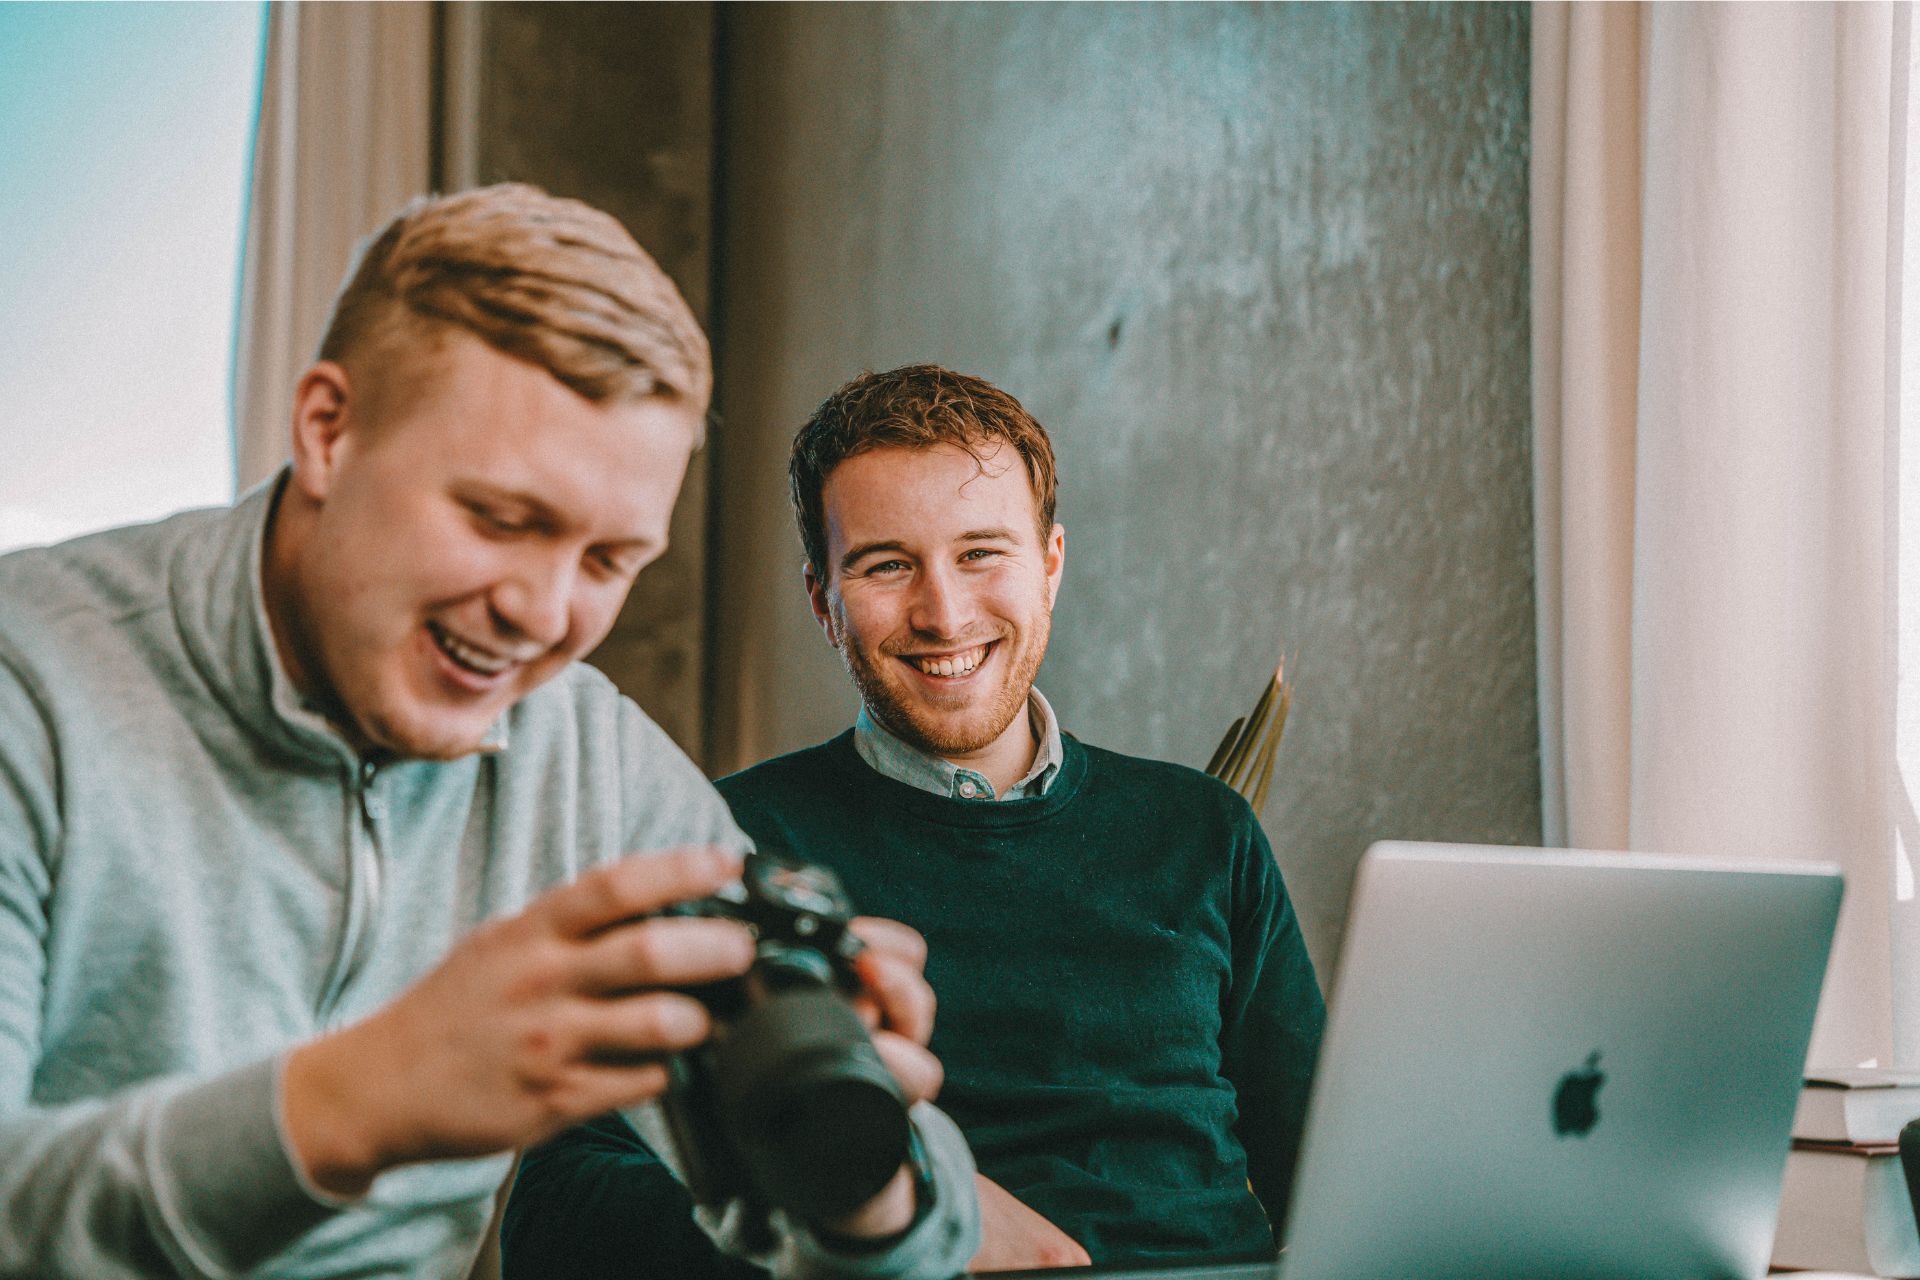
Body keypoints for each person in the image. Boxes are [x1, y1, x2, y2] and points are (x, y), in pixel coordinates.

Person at [0, 187, 978, 1279]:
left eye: (609, 560)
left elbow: (882, 1238)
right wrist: (367, 1094)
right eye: (501, 520)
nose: (544, 614)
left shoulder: (591, 765)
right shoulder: (26, 679)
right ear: (329, 429)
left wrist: (849, 1151)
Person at [502, 365, 1326, 1274]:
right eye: (887, 565)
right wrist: (888, 1194)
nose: (943, 613)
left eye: (982, 553)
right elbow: (558, 1215)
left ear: (1049, 565)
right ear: (824, 600)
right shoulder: (728, 850)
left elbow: (1335, 1173)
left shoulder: (1205, 831)